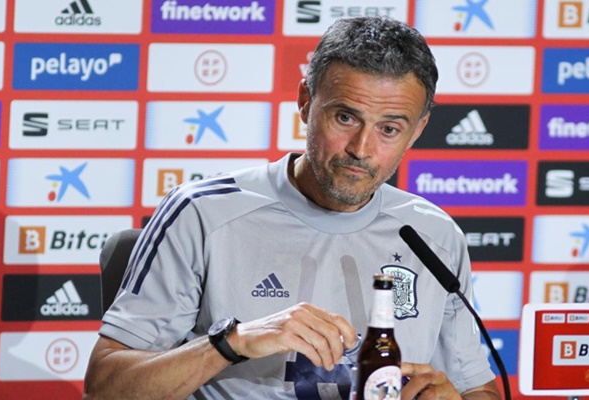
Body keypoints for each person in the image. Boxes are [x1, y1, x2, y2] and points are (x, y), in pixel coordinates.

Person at [83, 16, 501, 400]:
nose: (361, 149)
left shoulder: (434, 236)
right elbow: (105, 389)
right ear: (305, 101)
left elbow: (477, 390)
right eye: (345, 118)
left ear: (418, 130)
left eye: (389, 129)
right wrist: (232, 343)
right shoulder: (202, 214)